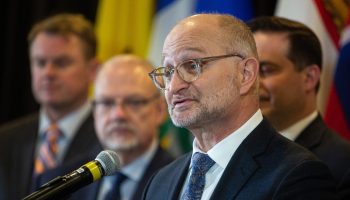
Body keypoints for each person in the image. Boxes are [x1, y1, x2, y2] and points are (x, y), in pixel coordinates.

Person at [143, 13, 338, 200]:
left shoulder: (299, 176)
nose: (174, 86)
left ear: (245, 74)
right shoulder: (160, 181)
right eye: (168, 72)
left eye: (192, 65)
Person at [247, 16, 350, 198]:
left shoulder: (343, 164)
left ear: (309, 78)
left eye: (266, 70)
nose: (251, 83)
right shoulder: (232, 153)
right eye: (246, 72)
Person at [0, 13, 100, 199]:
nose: (48, 73)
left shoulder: (110, 140)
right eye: (40, 62)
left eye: (61, 63)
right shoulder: (5, 139)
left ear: (93, 70)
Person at [68, 54, 174, 200]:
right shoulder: (64, 184)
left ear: (160, 110)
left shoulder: (182, 182)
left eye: (134, 102)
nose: (118, 115)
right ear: (94, 111)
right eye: (106, 103)